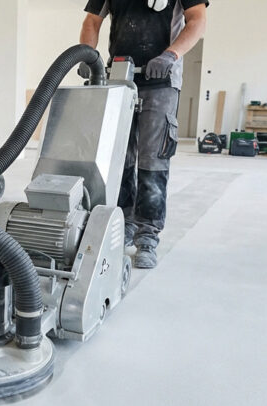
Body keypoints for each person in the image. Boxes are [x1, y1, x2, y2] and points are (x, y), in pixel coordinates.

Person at [80, 0, 208, 269]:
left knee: (153, 162)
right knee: (119, 159)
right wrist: (87, 55)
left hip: (161, 81)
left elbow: (196, 19)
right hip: (118, 77)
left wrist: (171, 55)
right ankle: (124, 224)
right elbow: (92, 21)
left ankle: (147, 236)